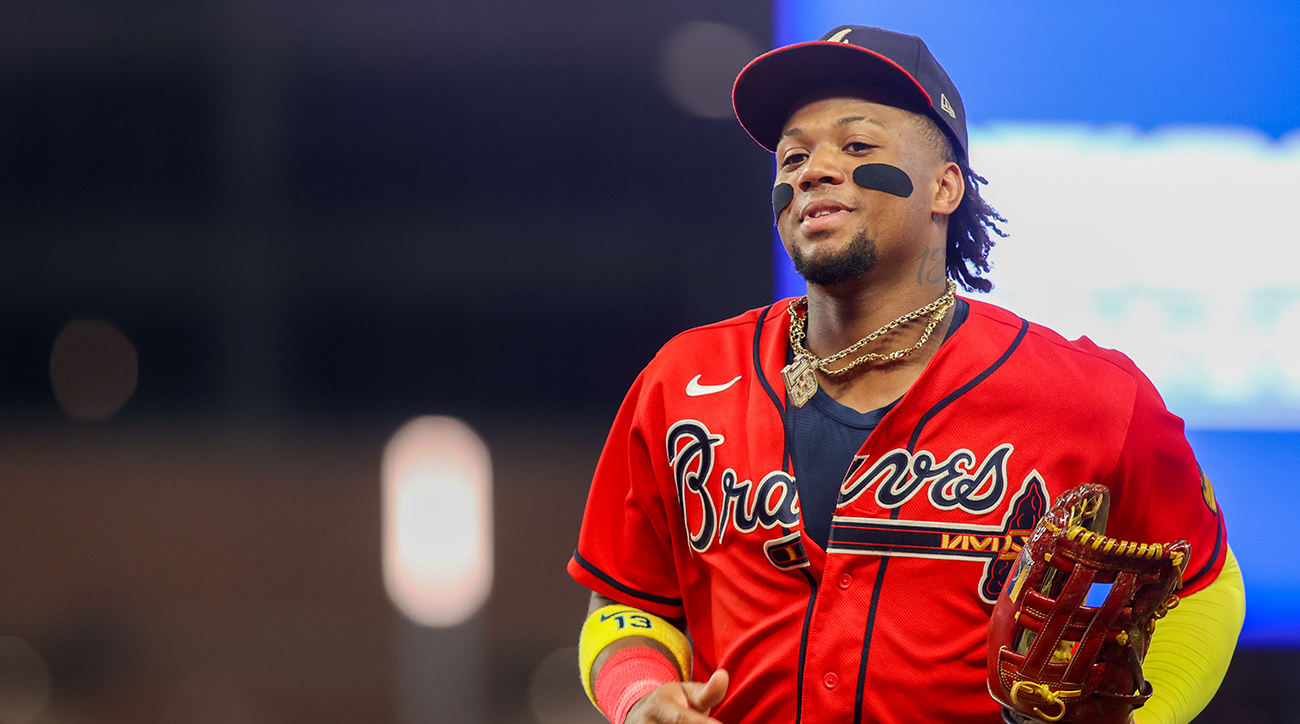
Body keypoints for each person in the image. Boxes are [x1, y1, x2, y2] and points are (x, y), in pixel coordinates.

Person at [568, 25, 1245, 724]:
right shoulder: (684, 380)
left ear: (944, 186)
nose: (811, 170)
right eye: (792, 155)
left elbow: (1206, 583)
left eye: (857, 146)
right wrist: (638, 695)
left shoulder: (1091, 396)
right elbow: (628, 604)